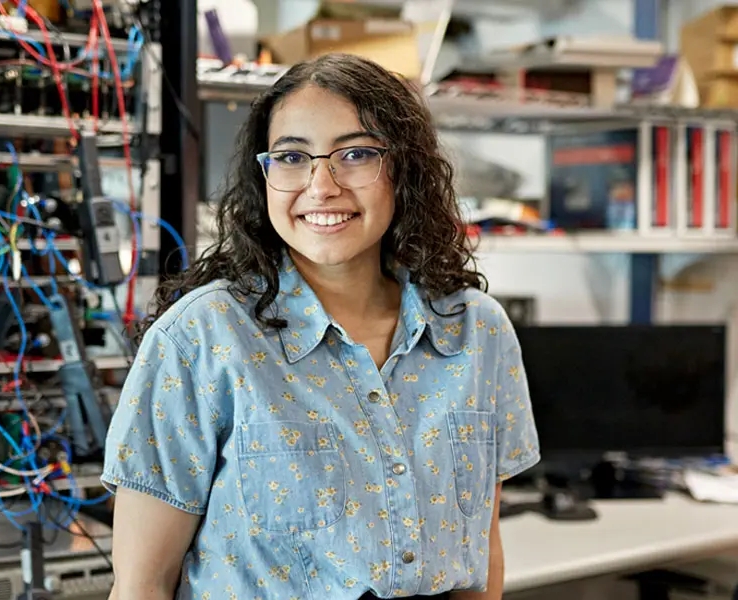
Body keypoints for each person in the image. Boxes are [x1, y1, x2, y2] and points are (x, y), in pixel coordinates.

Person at [102, 52, 540, 600]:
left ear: (403, 169)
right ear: (263, 177)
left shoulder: (478, 333)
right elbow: (143, 585)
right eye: (292, 157)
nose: (321, 185)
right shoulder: (201, 338)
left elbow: (481, 559)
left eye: (355, 154)